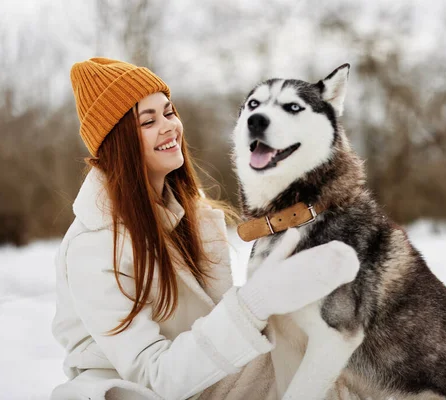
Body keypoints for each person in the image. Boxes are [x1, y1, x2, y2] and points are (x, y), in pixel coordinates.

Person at [51, 57, 359, 400]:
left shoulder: (192, 215)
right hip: (136, 391)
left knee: (338, 370)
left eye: (169, 112)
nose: (169, 127)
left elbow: (221, 336)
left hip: (209, 378)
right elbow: (155, 376)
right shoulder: (93, 246)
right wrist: (254, 303)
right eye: (148, 121)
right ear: (118, 142)